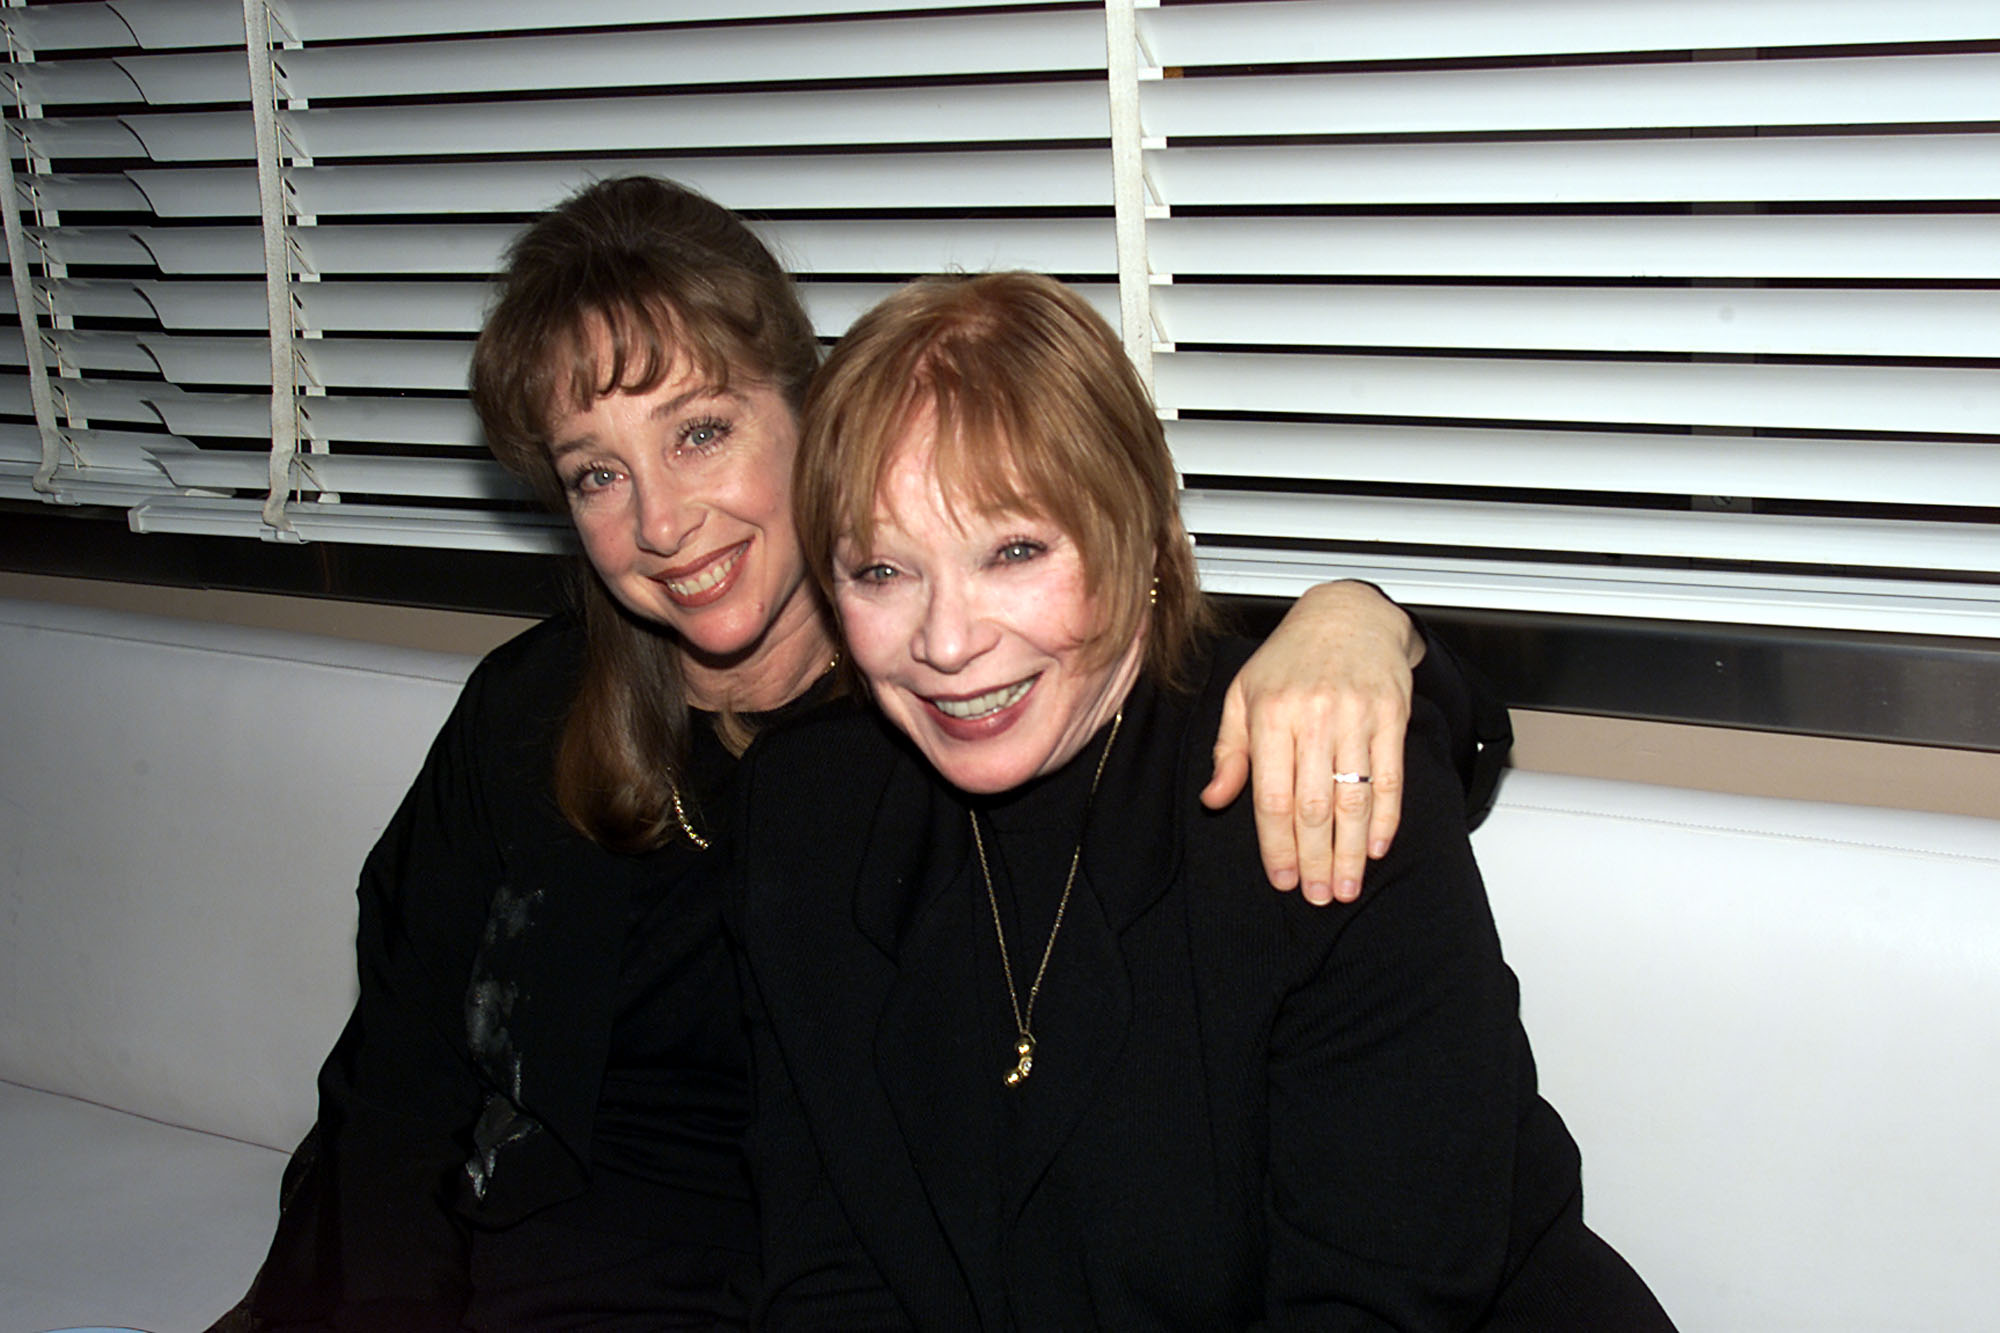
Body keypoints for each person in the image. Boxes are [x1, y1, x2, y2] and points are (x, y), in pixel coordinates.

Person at [212, 178, 1462, 1332]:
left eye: (698, 432)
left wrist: (1363, 620)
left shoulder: (945, 733)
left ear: (808, 414)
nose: (660, 521)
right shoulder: (548, 718)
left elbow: (1214, 690)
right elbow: (396, 1079)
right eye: (598, 473)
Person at [738, 270, 1674, 1329]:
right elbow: (827, 1261)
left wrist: (1361, 612)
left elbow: (1375, 1305)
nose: (946, 642)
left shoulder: (1312, 778)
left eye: (1014, 551)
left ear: (1137, 534)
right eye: (879, 571)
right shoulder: (809, 812)